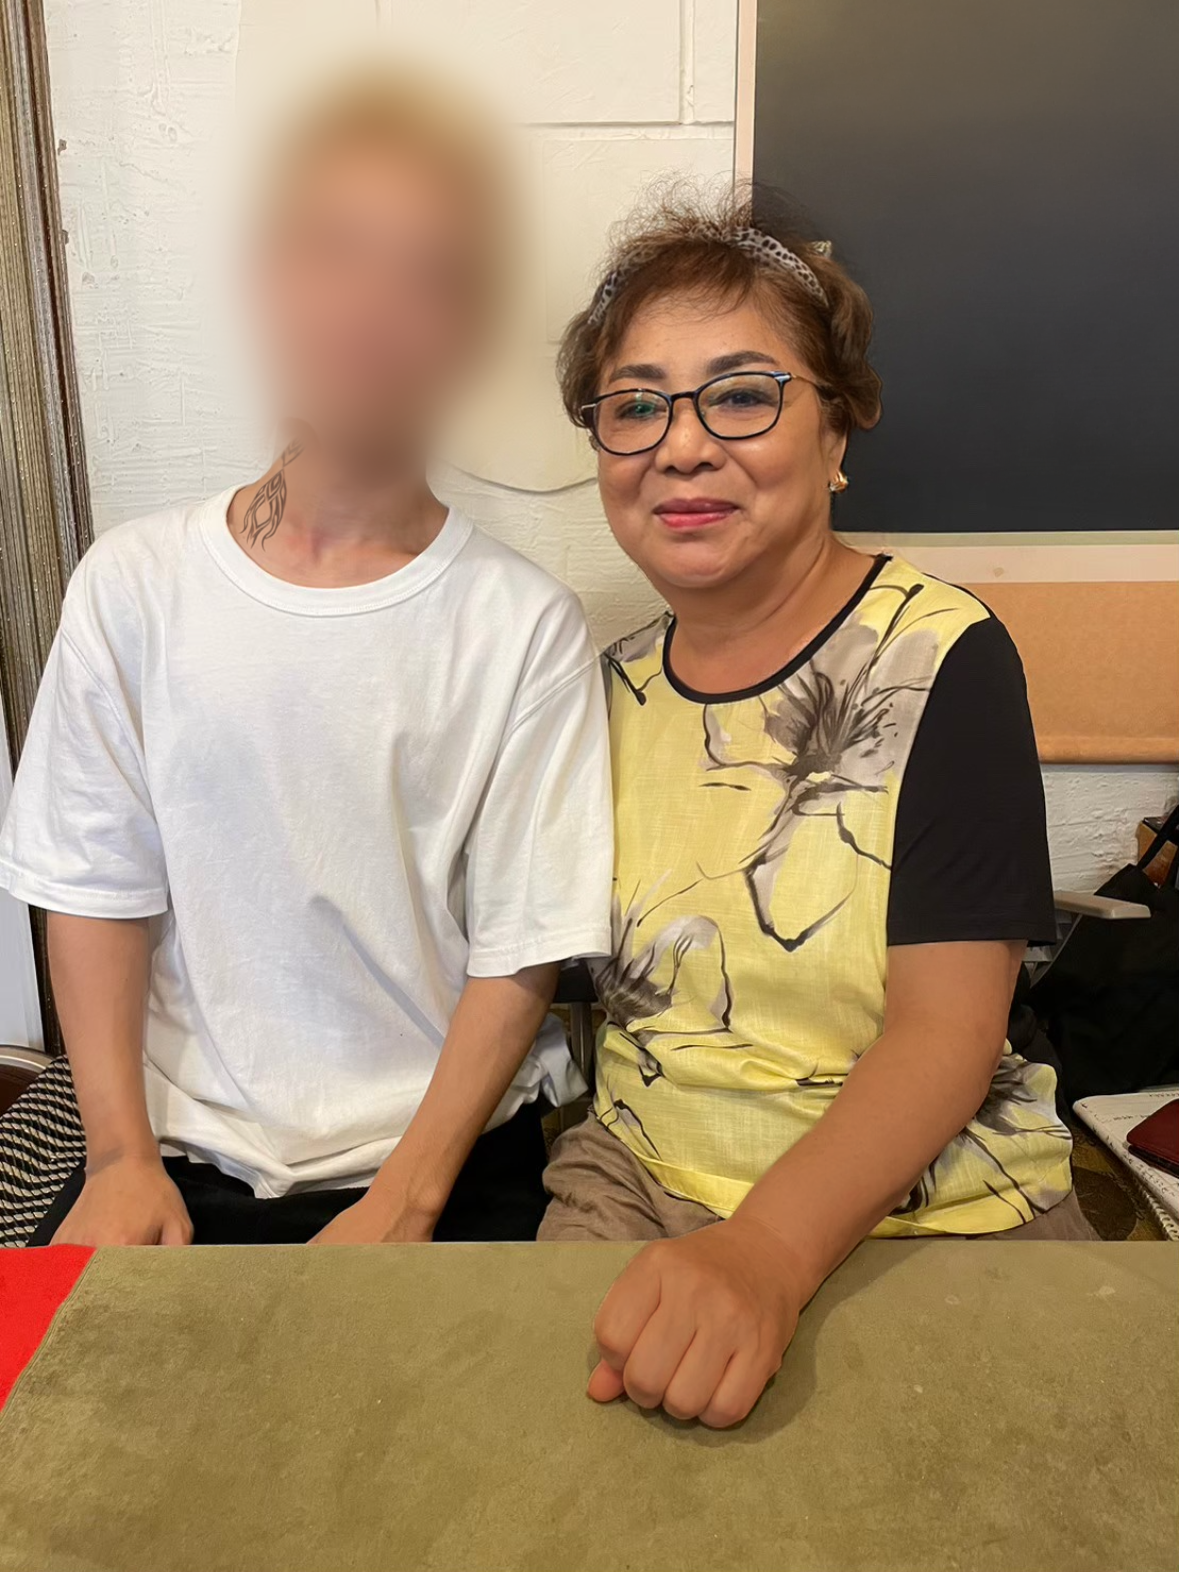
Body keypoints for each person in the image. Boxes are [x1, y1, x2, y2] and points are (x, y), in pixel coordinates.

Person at [0, 72, 612, 1247]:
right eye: (336, 250)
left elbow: (522, 948)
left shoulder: (521, 626)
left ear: (472, 332)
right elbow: (92, 888)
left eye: (428, 274)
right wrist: (119, 1158)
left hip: (445, 1161)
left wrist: (406, 1200)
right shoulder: (133, 586)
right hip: (172, 1159)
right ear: (269, 281)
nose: (371, 309)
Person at [540, 189, 1091, 1427]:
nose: (681, 447)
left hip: (926, 1200)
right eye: (635, 406)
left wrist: (765, 1255)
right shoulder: (602, 693)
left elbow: (947, 1034)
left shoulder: (939, 656)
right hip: (640, 1176)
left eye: (741, 394)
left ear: (838, 429)